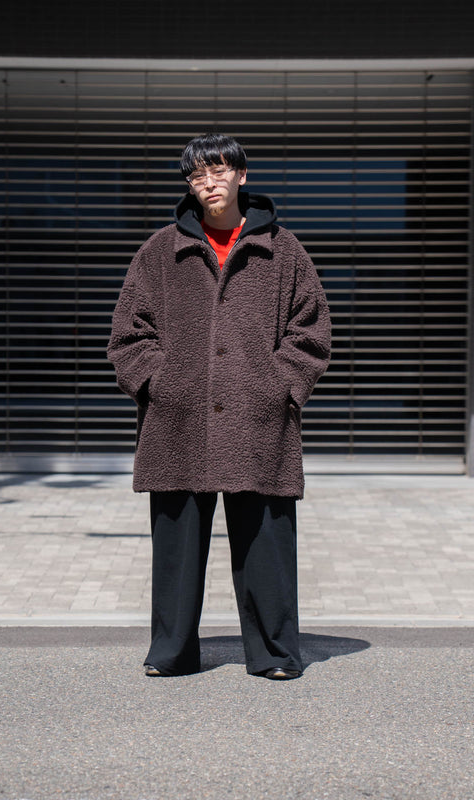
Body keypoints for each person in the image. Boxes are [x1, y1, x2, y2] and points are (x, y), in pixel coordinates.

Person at [107, 134, 331, 679]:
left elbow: (311, 331)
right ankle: (172, 652)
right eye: (197, 176)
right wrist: (160, 384)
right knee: (176, 548)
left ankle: (275, 653)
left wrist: (277, 387)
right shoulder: (159, 251)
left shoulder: (284, 250)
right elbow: (128, 335)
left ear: (241, 175)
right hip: (177, 422)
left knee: (266, 542)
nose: (208, 183)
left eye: (218, 171)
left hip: (259, 421)